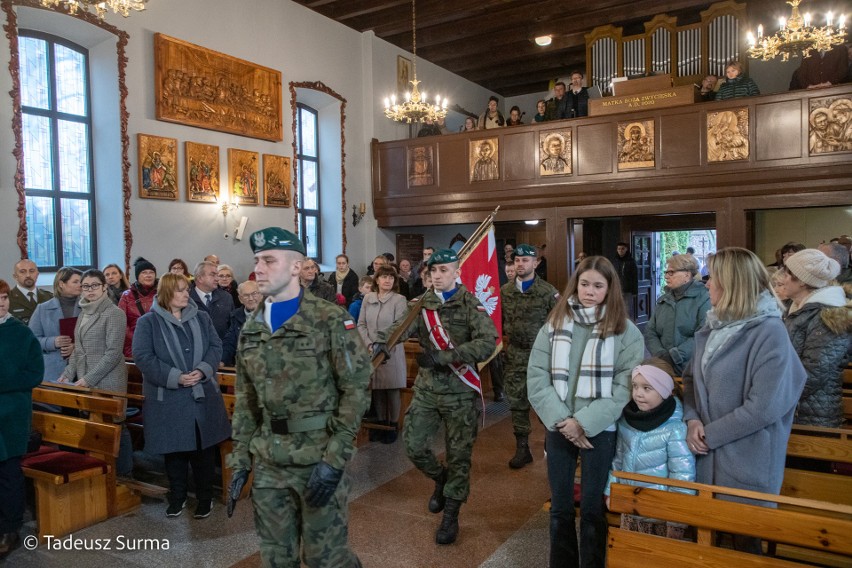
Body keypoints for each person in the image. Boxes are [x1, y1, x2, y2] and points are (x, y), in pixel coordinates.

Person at [227, 227, 370, 567]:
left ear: (296, 266)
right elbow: (246, 401)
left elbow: (355, 389)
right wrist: (240, 461)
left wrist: (335, 459)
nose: (258, 268)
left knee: (326, 559)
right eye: (257, 261)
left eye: (268, 260)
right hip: (269, 462)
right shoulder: (252, 328)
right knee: (277, 559)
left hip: (317, 456)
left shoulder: (329, 319)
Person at [683, 247, 806, 554]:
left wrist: (709, 435)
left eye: (713, 278)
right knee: (706, 552)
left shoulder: (769, 332)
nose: (707, 284)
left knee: (743, 552)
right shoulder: (712, 327)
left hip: (746, 464)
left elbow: (763, 407)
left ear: (732, 283)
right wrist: (692, 418)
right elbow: (689, 381)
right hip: (705, 462)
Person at [373, 249, 498, 545]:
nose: (438, 276)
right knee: (414, 445)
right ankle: (440, 479)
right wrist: (383, 341)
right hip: (428, 391)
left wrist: (445, 356)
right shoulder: (421, 306)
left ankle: (451, 515)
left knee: (459, 456)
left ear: (456, 272)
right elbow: (401, 328)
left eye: (444, 270)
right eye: (433, 271)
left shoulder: (470, 305)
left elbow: (487, 343)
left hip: (460, 392)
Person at [527, 255, 643, 568]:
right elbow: (537, 377)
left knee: (592, 507)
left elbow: (623, 388)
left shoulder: (626, 332)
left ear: (610, 289)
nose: (589, 291)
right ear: (575, 285)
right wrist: (564, 421)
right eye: (584, 284)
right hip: (559, 426)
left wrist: (583, 422)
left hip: (598, 430)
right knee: (561, 507)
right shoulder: (554, 324)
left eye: (598, 286)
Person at [132, 273, 230, 519]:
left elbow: (215, 346)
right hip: (168, 396)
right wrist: (176, 376)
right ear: (166, 294)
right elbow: (144, 357)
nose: (187, 294)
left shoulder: (201, 317)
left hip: (202, 394)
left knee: (203, 451)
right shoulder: (149, 322)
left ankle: (205, 499)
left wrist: (202, 370)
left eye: (187, 289)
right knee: (174, 452)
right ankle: (178, 497)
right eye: (180, 290)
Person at [604, 358, 695, 538]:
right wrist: (611, 492)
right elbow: (618, 461)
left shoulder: (675, 428)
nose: (638, 393)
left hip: (660, 513)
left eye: (647, 388)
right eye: (635, 386)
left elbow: (682, 476)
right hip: (631, 507)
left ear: (665, 391)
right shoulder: (627, 421)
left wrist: (676, 517)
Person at [58, 269, 132, 476]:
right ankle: (102, 473)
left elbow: (113, 353)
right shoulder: (83, 312)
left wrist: (88, 379)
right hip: (86, 378)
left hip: (108, 379)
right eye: (85, 286)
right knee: (95, 428)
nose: (89, 290)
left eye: (94, 286)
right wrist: (67, 373)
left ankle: (125, 475)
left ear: (104, 287)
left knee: (115, 426)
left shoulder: (114, 313)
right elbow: (78, 350)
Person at [500, 244, 559, 469]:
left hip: (541, 355)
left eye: (526, 260)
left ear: (536, 263)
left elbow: (558, 325)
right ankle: (522, 448)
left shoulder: (547, 292)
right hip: (515, 353)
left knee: (545, 400)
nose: (521, 264)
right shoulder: (505, 292)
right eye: (517, 260)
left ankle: (551, 443)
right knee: (517, 402)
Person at [781, 249, 849, 428]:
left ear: (802, 281)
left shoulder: (829, 317)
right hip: (792, 408)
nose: (782, 279)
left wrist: (774, 395)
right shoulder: (796, 309)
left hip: (811, 415)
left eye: (788, 274)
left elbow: (814, 372)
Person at [0, 279, 43, 559]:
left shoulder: (21, 333)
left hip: (10, 415)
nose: (1, 303)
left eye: (4, 298)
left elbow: (34, 374)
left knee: (8, 472)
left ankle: (10, 529)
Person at [358, 265, 408, 443]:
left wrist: (384, 344)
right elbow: (361, 324)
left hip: (391, 351)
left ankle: (392, 426)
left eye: (391, 278)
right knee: (377, 388)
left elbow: (400, 328)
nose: (388, 280)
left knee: (392, 388)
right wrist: (370, 344)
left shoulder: (399, 300)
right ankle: (379, 424)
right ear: (377, 280)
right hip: (372, 350)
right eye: (384, 277)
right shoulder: (368, 298)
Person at [643, 254, 711, 376]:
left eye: (671, 272)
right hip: (662, 367)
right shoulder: (663, 300)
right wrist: (660, 355)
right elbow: (650, 331)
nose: (666, 276)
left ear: (687, 274)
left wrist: (675, 356)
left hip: (690, 369)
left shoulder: (704, 298)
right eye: (666, 272)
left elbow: (703, 334)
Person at [29, 267, 82, 382]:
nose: (80, 285)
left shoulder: (87, 307)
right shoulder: (42, 309)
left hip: (82, 369)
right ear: (62, 284)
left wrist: (75, 346)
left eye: (81, 281)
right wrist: (53, 342)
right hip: (53, 369)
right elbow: (31, 340)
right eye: (75, 282)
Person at [119, 257, 158, 358]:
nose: (148, 275)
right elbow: (121, 323)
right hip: (134, 345)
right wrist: (139, 338)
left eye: (151, 272)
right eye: (144, 272)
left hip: (159, 344)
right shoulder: (127, 296)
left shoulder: (162, 293)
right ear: (137, 276)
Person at [221, 280, 262, 367]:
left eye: (254, 293)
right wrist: (222, 360)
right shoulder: (236, 316)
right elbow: (229, 342)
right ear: (240, 299)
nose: (251, 298)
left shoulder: (273, 314)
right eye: (246, 295)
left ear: (261, 295)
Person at [190, 260, 234, 340]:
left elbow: (232, 328)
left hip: (222, 349)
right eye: (213, 275)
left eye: (217, 275)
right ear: (200, 278)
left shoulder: (226, 298)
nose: (217, 279)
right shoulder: (186, 298)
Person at [9, 259, 53, 325]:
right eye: (22, 272)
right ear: (15, 276)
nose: (28, 275)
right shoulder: (8, 298)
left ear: (37, 274)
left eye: (32, 271)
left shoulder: (49, 297)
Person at [613, 242, 638, 317]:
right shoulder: (615, 261)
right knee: (616, 309)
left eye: (622, 249)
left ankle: (628, 327)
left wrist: (635, 291)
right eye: (619, 249)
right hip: (616, 290)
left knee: (627, 310)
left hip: (628, 290)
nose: (620, 250)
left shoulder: (631, 261)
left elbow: (634, 277)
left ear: (626, 249)